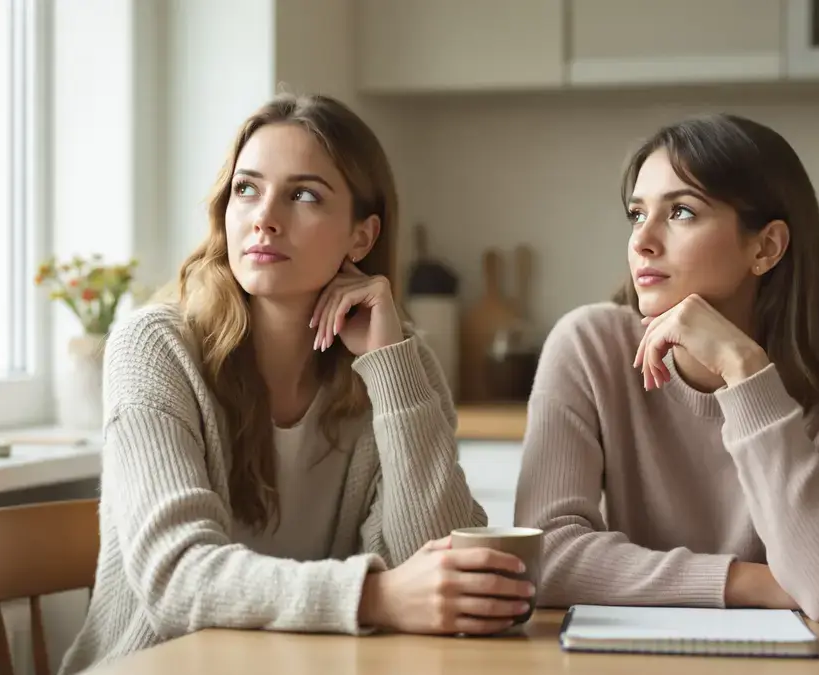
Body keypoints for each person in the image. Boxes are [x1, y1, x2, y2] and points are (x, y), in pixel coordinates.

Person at [60, 94, 533, 674]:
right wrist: (373, 596)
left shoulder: (399, 363)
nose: (265, 216)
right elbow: (176, 576)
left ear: (362, 237)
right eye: (247, 188)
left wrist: (392, 370)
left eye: (304, 194)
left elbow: (432, 565)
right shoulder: (154, 347)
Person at [514, 113, 819, 623]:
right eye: (638, 214)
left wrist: (745, 372)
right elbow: (545, 558)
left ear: (766, 247)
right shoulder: (590, 346)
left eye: (681, 212)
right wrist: (755, 583)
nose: (642, 241)